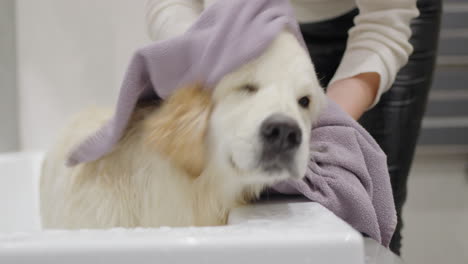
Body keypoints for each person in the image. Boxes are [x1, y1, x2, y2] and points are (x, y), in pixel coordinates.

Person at [144, 0, 426, 254]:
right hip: (243, 24)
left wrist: (327, 127)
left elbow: (385, 23)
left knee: (369, 218)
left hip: (378, 25)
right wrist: (206, 64)